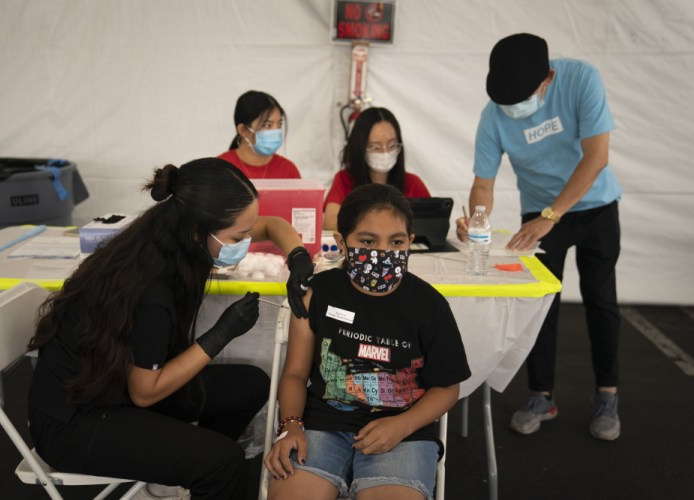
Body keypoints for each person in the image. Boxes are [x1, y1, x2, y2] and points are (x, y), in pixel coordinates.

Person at [27, 158, 315, 500]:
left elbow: (270, 226)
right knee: (224, 462)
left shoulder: (169, 232)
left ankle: (180, 471)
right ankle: (197, 469)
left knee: (250, 385)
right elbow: (145, 392)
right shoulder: (151, 285)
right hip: (76, 420)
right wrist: (220, 335)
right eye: (238, 236)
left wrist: (298, 257)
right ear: (198, 232)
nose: (246, 241)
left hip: (113, 385)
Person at [456, 33, 623, 441]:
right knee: (541, 302)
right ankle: (541, 394)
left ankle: (607, 394)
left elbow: (597, 156)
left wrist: (554, 214)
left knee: (601, 299)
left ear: (547, 78)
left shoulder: (581, 79)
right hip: (539, 214)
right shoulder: (492, 115)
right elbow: (484, 182)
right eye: (505, 103)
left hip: (594, 204)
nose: (513, 110)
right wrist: (478, 219)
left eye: (521, 99)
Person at [266, 183, 471, 500]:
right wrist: (290, 426)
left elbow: (446, 387)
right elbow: (294, 373)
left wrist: (401, 426)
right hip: (321, 426)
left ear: (410, 243)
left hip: (406, 433)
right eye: (367, 241)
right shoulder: (316, 293)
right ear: (341, 243)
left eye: (396, 241)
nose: (383, 252)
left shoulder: (430, 306)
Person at [323, 107, 431, 230]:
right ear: (360, 148)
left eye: (392, 145)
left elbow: (434, 223)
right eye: (375, 147)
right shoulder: (345, 179)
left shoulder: (412, 183)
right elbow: (330, 222)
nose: (385, 152)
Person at [218, 90, 301, 179]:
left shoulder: (288, 170)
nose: (276, 131)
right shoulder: (220, 169)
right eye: (267, 125)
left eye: (279, 124)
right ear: (243, 130)